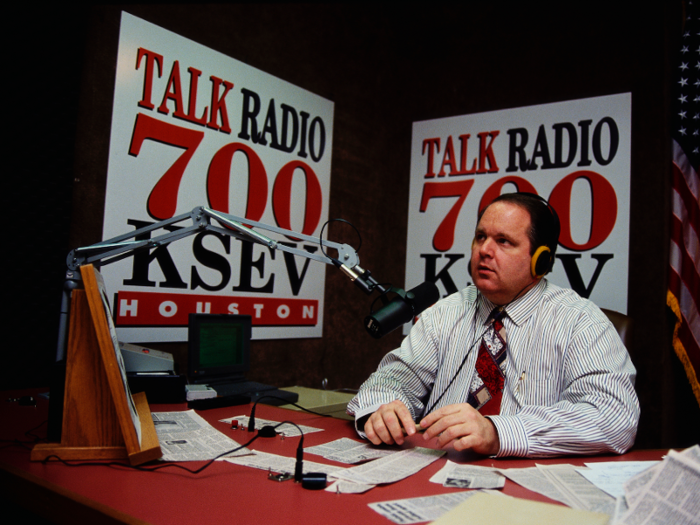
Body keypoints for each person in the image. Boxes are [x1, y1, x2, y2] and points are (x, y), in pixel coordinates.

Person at [347, 192, 640, 458]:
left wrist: (498, 433)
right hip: (434, 476)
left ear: (541, 260)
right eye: (480, 237)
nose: (484, 250)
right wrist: (381, 409)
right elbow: (392, 379)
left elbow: (613, 416)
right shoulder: (446, 311)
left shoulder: (580, 321)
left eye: (503, 241)